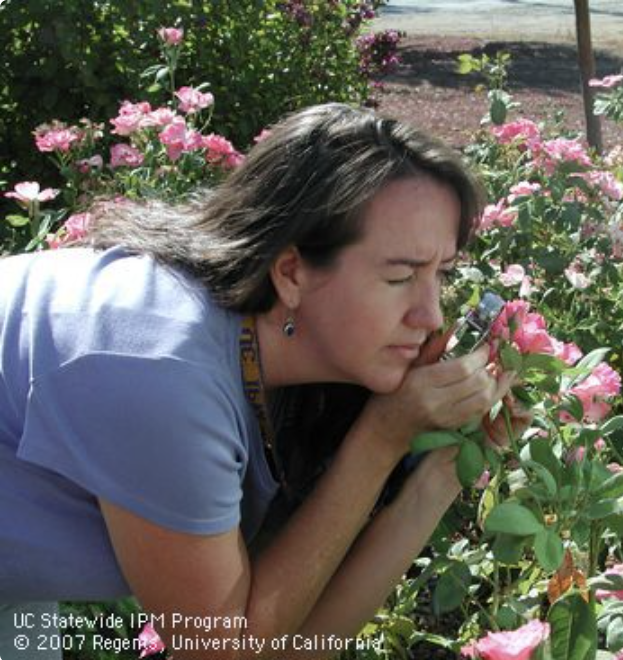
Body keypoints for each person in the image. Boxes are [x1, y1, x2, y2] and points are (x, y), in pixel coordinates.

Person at [0, 103, 517, 660]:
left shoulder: (269, 358)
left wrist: (440, 472)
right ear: (291, 271)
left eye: (441, 275)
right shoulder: (161, 369)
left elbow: (291, 643)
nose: (432, 316)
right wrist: (381, 438)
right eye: (400, 276)